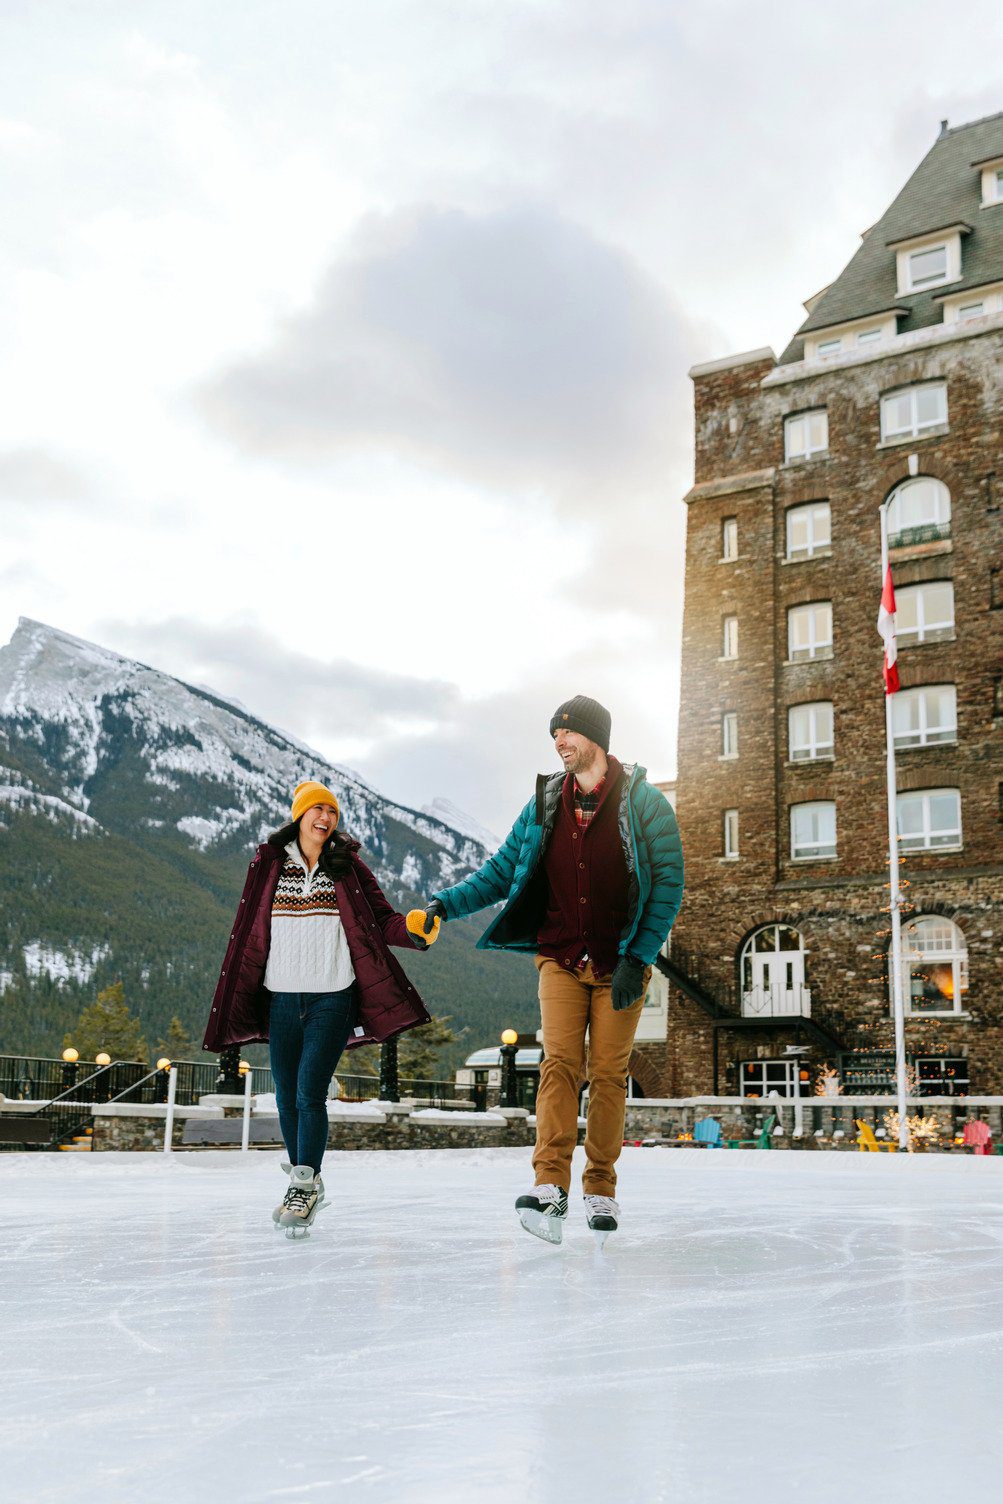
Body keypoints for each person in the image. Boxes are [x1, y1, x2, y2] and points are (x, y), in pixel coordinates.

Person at [422, 696, 683, 1244]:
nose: (559, 742)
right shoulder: (544, 804)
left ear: (595, 738)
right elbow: (500, 873)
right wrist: (445, 904)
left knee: (610, 1076)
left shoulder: (646, 803)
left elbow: (668, 887)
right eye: (554, 736)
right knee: (560, 1065)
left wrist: (640, 957)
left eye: (567, 733)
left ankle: (601, 1189)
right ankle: (549, 1186)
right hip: (561, 959)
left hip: (621, 964)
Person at [203, 780, 439, 1236]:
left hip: (334, 996)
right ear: (299, 816)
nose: (325, 818)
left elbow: (380, 919)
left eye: (331, 811)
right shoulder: (270, 864)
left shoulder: (346, 868)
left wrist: (412, 928)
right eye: (317, 810)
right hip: (281, 997)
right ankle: (302, 1179)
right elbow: (249, 926)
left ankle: (305, 1185)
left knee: (310, 1092)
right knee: (287, 1095)